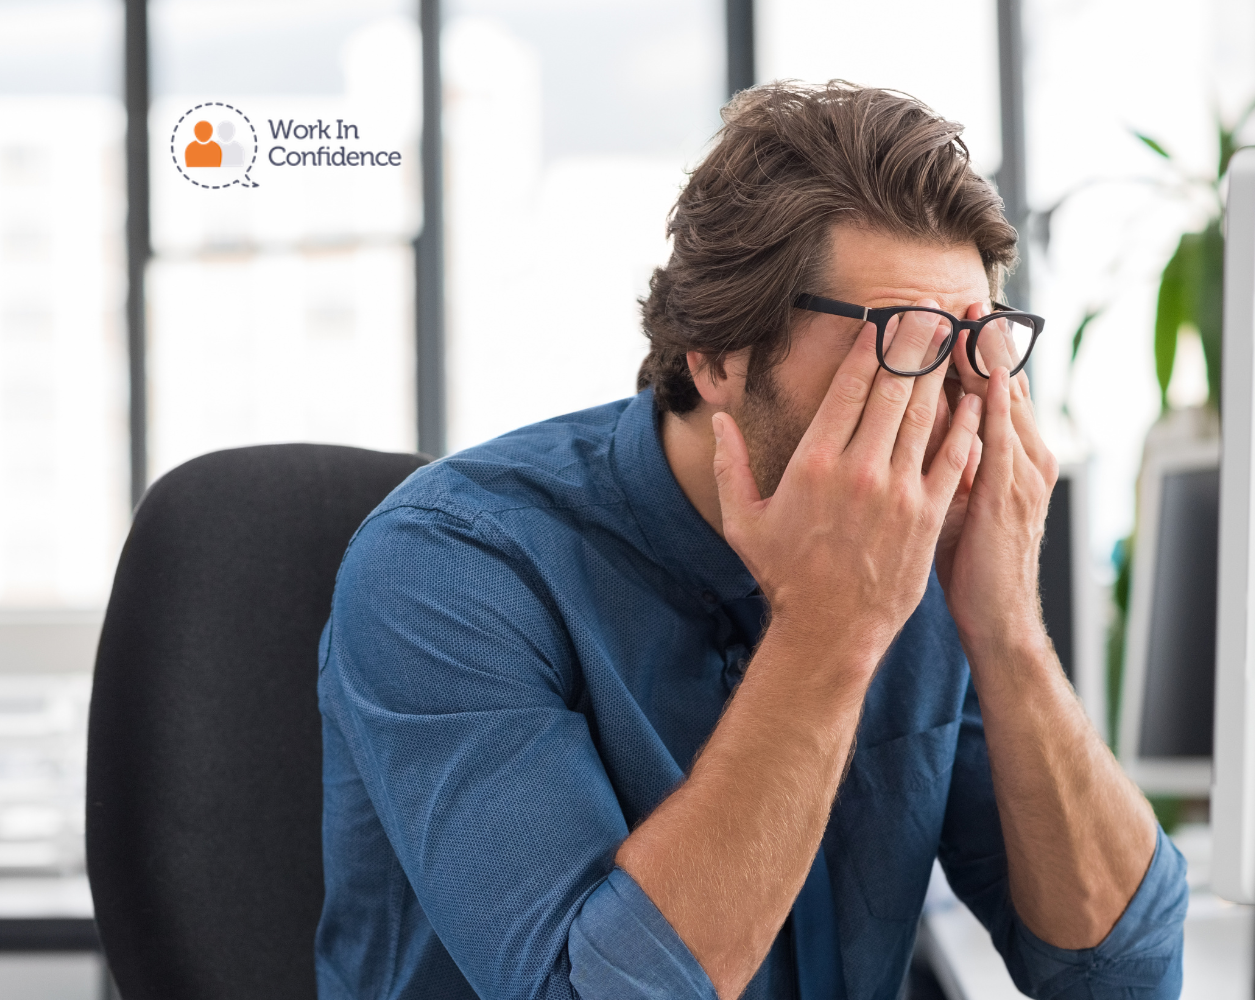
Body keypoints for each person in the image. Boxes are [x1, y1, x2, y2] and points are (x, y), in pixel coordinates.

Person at [315, 81, 1188, 1000]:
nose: (947, 405)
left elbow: (1121, 981)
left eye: (975, 344)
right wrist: (826, 631)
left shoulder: (934, 564)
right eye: (901, 345)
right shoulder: (447, 569)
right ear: (719, 357)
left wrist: (1005, 625)